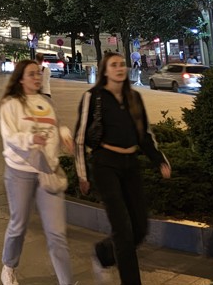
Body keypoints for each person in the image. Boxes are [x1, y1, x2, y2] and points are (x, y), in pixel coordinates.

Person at [75, 52, 172, 285]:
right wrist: (82, 174)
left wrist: (159, 160)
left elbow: (144, 135)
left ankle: (104, 253)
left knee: (140, 228)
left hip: (130, 165)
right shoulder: (93, 97)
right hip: (105, 165)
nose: (119, 68)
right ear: (105, 71)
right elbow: (80, 137)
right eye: (114, 65)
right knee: (123, 230)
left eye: (122, 64)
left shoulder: (134, 98)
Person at [0, 59, 77, 285]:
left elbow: (56, 125)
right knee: (18, 226)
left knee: (57, 233)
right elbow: (10, 137)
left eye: (38, 73)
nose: (37, 77)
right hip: (20, 172)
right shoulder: (10, 104)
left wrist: (65, 135)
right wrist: (30, 138)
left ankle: (66, 282)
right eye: (31, 74)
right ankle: (9, 266)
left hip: (48, 171)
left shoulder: (46, 101)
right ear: (21, 79)